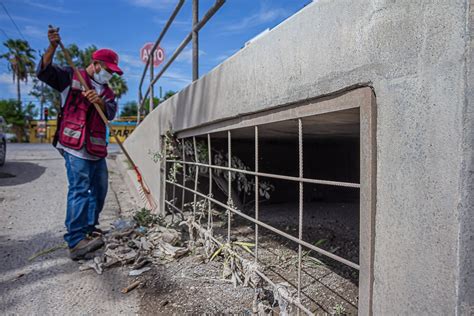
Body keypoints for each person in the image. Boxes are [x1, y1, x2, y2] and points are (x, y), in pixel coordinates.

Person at [36, 27, 123, 260]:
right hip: (74, 146)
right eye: (107, 70)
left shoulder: (107, 92)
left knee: (100, 189)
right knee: (79, 189)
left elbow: (111, 112)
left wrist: (101, 103)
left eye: (112, 72)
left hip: (96, 147)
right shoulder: (70, 77)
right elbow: (44, 72)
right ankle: (75, 240)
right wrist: (53, 47)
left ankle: (89, 228)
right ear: (95, 64)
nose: (109, 75)